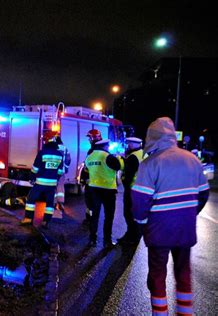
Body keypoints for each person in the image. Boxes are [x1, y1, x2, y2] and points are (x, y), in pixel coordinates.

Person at [132, 117, 209, 315]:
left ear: (151, 137)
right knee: (183, 273)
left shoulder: (150, 163)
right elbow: (203, 194)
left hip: (159, 231)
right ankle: (185, 312)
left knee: (157, 275)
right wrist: (189, 213)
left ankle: (160, 313)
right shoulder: (192, 159)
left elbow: (140, 201)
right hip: (185, 230)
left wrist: (142, 224)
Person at [21, 130, 64, 228]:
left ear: (47, 141)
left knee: (31, 199)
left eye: (45, 140)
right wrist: (55, 179)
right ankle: (46, 221)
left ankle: (28, 218)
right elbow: (60, 171)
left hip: (40, 182)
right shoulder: (59, 155)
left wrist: (32, 178)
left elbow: (35, 168)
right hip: (52, 184)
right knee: (49, 203)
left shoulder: (42, 153)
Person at [84, 138, 121, 247]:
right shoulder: (107, 156)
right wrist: (117, 157)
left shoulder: (89, 157)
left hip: (93, 189)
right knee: (109, 216)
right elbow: (118, 166)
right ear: (105, 146)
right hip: (108, 190)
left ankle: (92, 239)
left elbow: (86, 170)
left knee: (94, 215)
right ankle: (107, 240)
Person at [118, 137, 144, 245]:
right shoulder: (143, 154)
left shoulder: (133, 157)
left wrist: (123, 182)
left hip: (133, 190)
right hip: (143, 190)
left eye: (129, 144)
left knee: (128, 213)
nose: (127, 146)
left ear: (133, 145)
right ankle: (135, 236)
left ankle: (131, 236)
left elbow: (128, 176)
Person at [82, 129, 103, 226]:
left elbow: (89, 166)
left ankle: (91, 220)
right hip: (95, 182)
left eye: (90, 137)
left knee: (91, 203)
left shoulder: (94, 150)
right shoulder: (101, 149)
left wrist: (84, 178)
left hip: (93, 182)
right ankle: (90, 219)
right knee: (90, 203)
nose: (89, 140)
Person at [54, 136, 71, 214]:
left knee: (53, 186)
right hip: (62, 171)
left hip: (52, 171)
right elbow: (68, 159)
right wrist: (66, 168)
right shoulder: (64, 148)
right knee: (60, 186)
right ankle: (60, 203)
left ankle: (53, 202)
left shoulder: (52, 147)